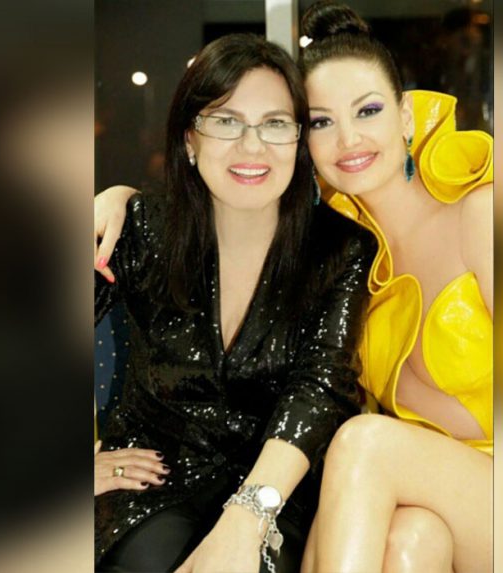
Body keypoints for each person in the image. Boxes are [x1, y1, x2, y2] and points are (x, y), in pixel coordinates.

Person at [94, 2, 494, 571]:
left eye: (369, 110)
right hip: (432, 495)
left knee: (365, 441)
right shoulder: (353, 245)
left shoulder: (481, 216)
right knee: (412, 542)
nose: (349, 139)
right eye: (323, 121)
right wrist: (119, 200)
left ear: (406, 116)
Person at [92, 33, 376, 572]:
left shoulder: (340, 249)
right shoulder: (139, 229)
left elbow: (320, 387)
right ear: (189, 139)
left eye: (275, 124)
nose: (252, 146)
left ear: (298, 141)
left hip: (278, 486)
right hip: (150, 479)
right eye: (225, 121)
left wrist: (249, 515)